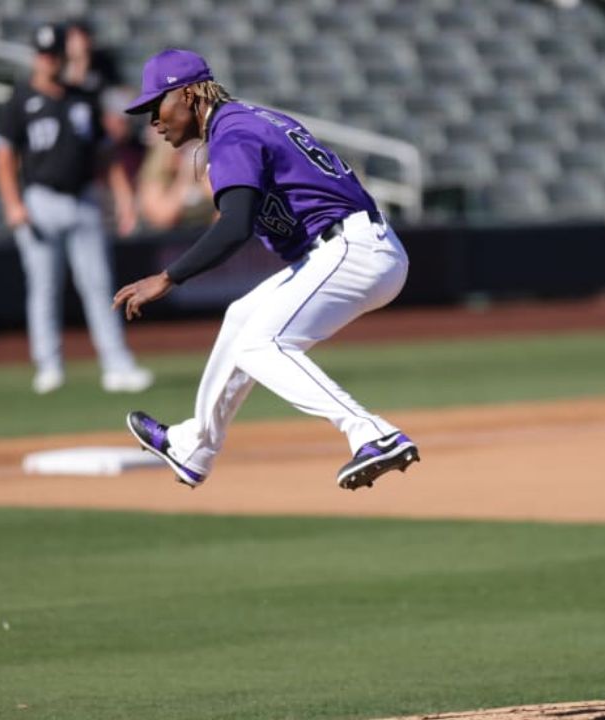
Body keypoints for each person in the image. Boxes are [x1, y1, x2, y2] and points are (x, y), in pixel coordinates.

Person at [114, 49, 419, 491]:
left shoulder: (231, 134)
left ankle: (372, 433)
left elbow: (235, 226)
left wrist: (168, 277)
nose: (152, 121)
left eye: (155, 105)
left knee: (261, 345)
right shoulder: (245, 120)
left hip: (351, 249)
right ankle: (194, 445)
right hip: (349, 247)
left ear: (187, 94)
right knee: (242, 318)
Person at [0, 23, 152, 394]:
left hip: (83, 199)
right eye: (43, 54)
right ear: (36, 57)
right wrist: (13, 205)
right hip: (40, 200)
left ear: (62, 57)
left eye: (54, 54)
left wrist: (124, 199)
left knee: (99, 286)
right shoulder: (19, 101)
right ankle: (48, 366)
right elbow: (3, 158)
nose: (49, 61)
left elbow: (106, 154)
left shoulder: (81, 98)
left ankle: (117, 365)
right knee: (44, 287)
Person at [136, 136, 216, 231]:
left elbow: (223, 203)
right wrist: (185, 175)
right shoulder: (153, 181)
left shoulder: (200, 175)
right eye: (181, 151)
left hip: (201, 234)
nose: (184, 157)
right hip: (168, 241)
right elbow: (164, 217)